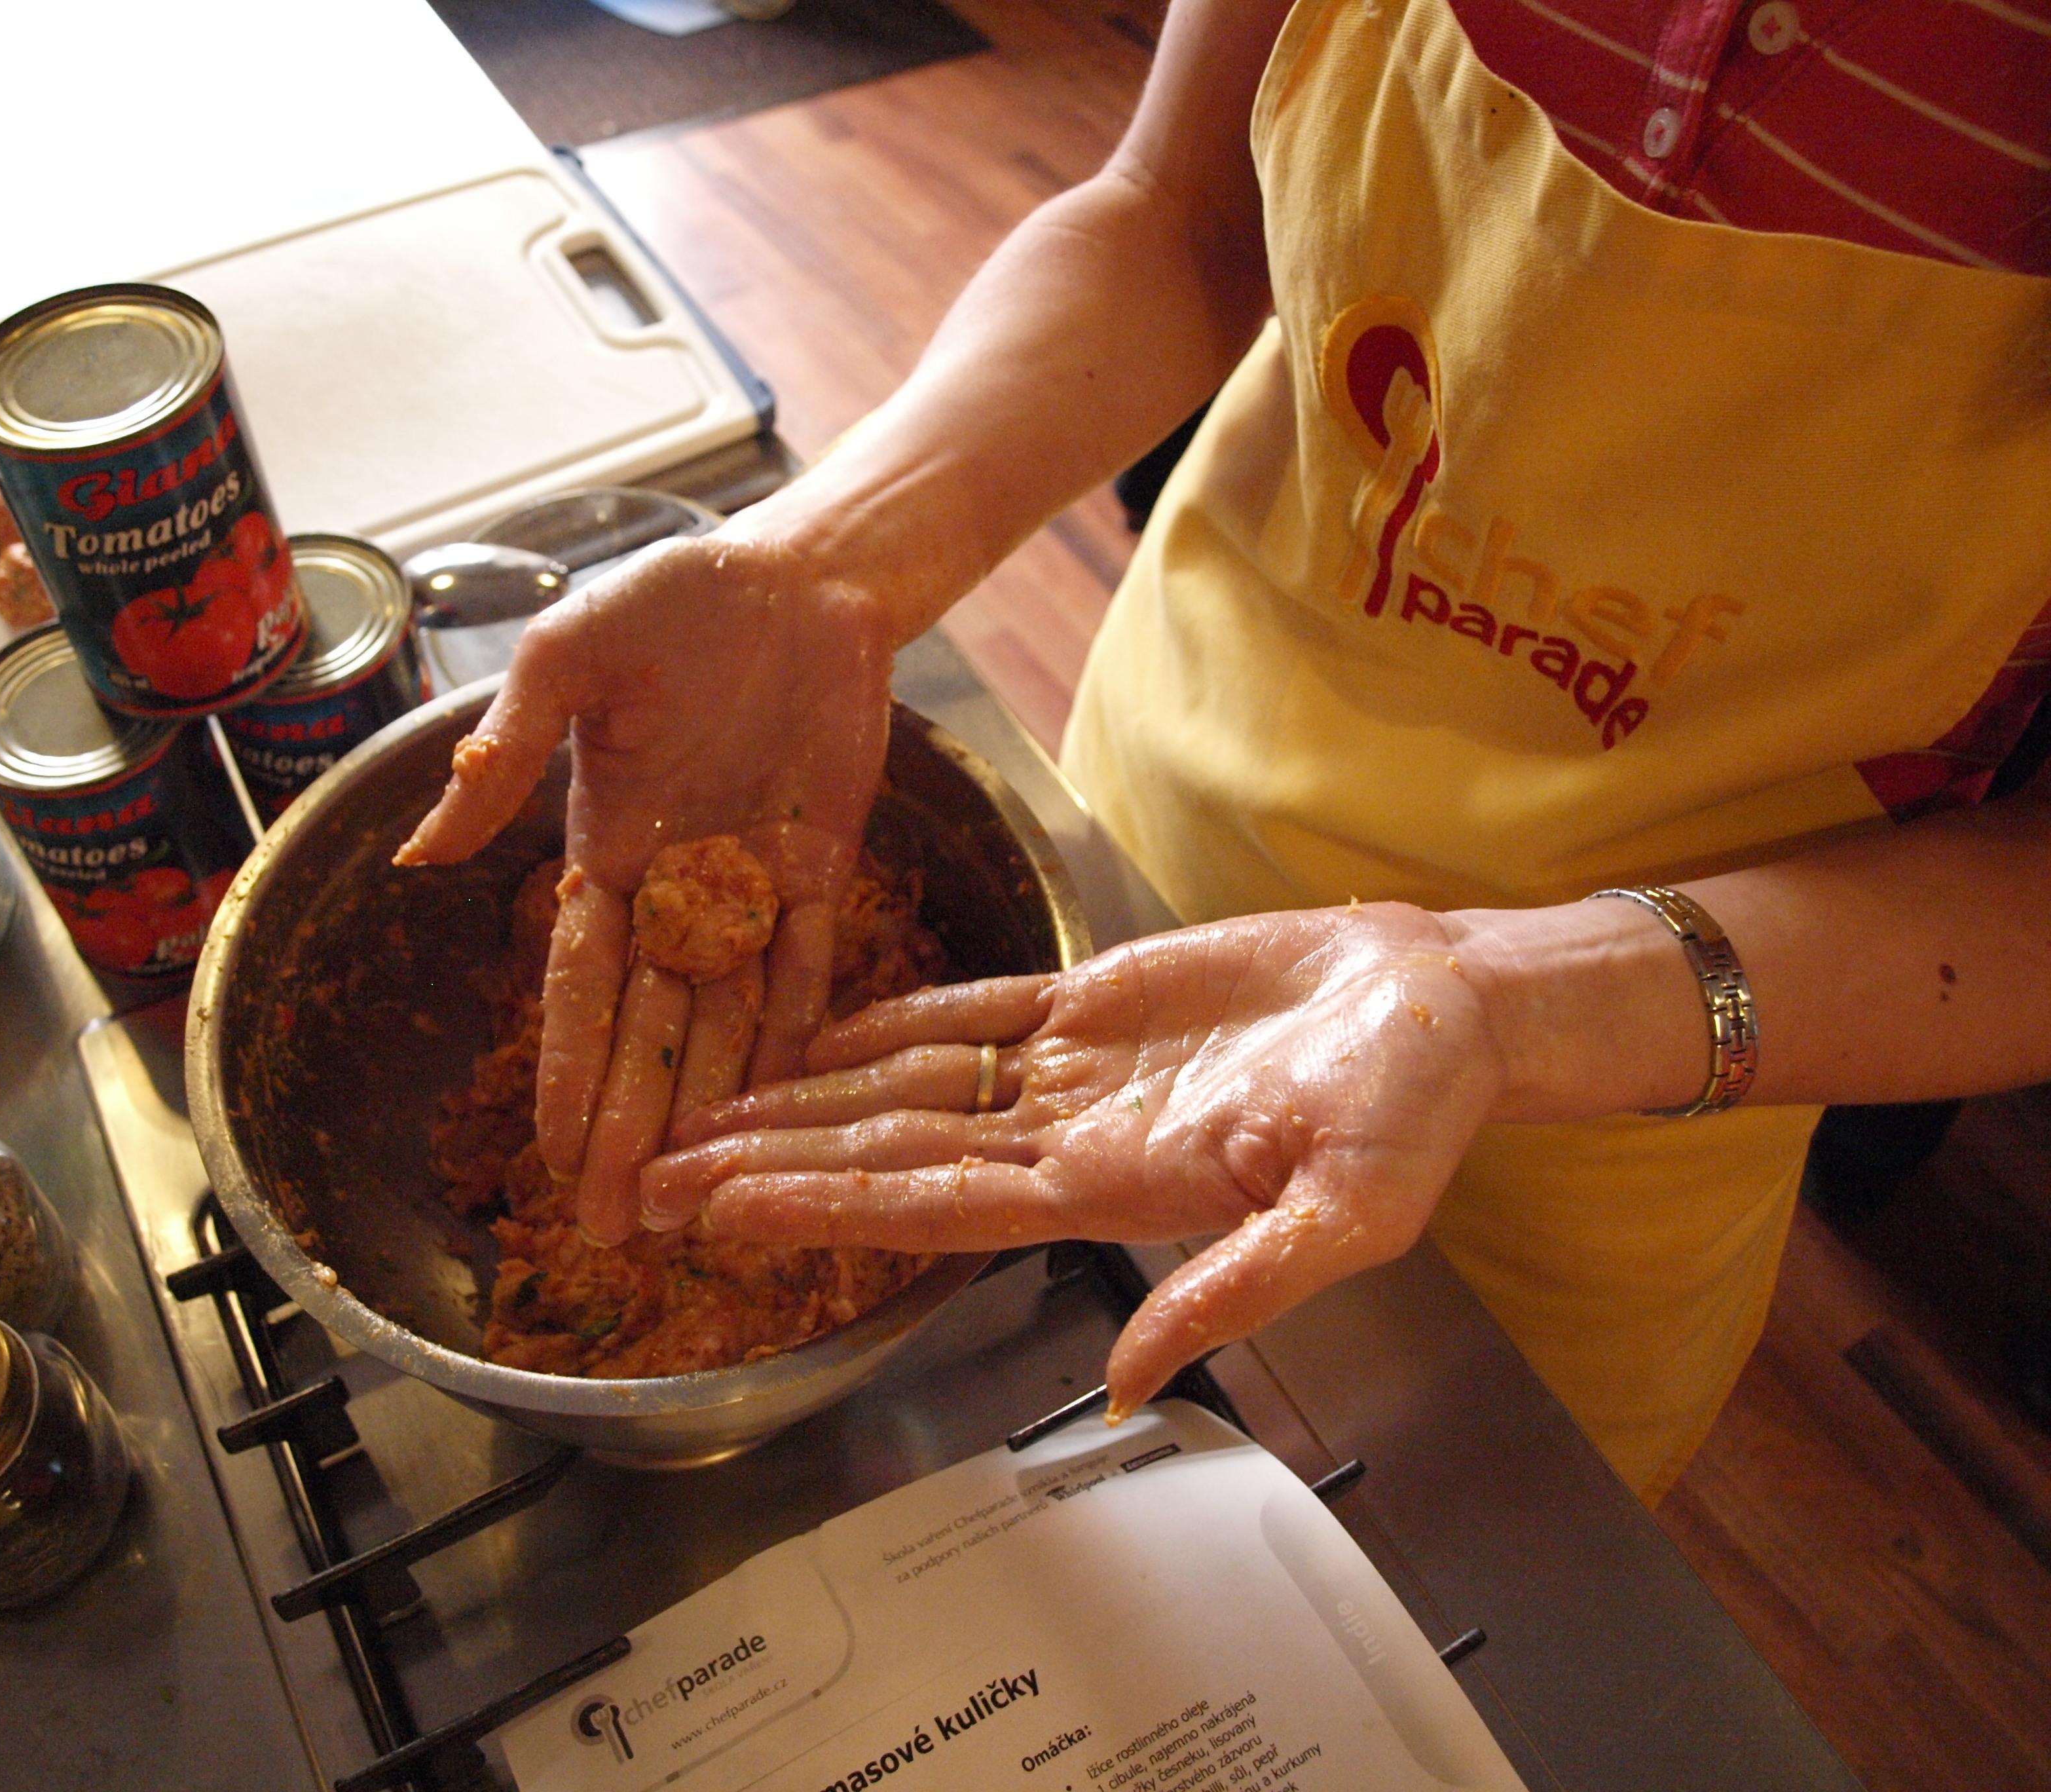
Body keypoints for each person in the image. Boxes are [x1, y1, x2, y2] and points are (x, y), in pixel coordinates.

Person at [399, 0, 2051, 1503]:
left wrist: (1494, 1002)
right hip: (1125, 889)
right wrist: (830, 557)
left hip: (1596, 1108)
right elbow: (1175, 214)